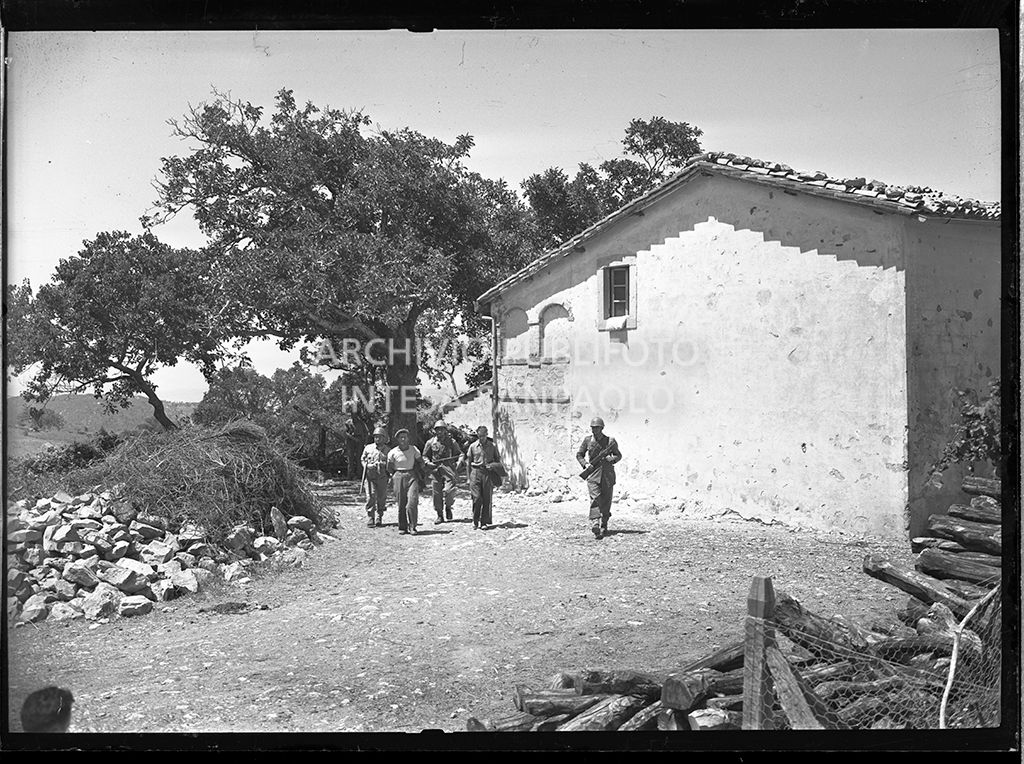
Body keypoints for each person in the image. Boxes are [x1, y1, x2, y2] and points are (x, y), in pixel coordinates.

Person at [576, 416, 622, 540]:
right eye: (592, 428)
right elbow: (579, 454)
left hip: (607, 475)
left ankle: (604, 524)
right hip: (592, 474)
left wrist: (611, 459)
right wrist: (585, 464)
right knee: (595, 499)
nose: (594, 430)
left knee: (606, 501)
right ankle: (595, 522)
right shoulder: (587, 440)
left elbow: (619, 455)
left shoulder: (610, 441)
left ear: (602, 428)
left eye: (596, 428)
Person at [458, 425, 502, 530]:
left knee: (487, 499)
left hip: (487, 473)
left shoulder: (492, 446)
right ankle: (475, 520)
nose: (481, 438)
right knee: (477, 498)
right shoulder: (473, 446)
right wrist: (468, 478)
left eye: (483, 436)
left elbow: (498, 460)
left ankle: (484, 522)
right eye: (479, 436)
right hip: (475, 473)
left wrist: (492, 466)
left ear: (486, 435)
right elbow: (468, 462)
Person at [422, 420, 464, 524]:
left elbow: (460, 454)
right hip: (435, 469)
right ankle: (439, 515)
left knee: (450, 490)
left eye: (442, 429)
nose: (440, 432)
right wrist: (427, 463)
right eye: (437, 430)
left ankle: (448, 506)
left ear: (445, 430)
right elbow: (424, 456)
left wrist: (459, 461)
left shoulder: (452, 442)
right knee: (437, 494)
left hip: (448, 469)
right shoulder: (430, 442)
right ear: (434, 431)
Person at [387, 428, 425, 535]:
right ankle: (402, 527)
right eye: (400, 437)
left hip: (412, 476)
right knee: (401, 503)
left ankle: (413, 526)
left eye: (405, 437)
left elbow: (421, 462)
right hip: (398, 476)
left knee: (412, 502)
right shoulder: (393, 452)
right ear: (398, 439)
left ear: (408, 438)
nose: (403, 439)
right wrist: (393, 475)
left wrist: (422, 467)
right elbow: (389, 467)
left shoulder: (414, 449)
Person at [361, 426, 390, 527]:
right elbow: (363, 459)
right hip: (369, 478)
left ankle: (379, 516)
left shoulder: (388, 450)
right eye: (375, 437)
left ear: (384, 438)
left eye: (379, 437)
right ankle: (370, 517)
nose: (377, 439)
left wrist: (383, 464)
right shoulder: (368, 448)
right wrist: (367, 465)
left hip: (382, 477)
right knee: (370, 496)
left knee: (381, 498)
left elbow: (390, 464)